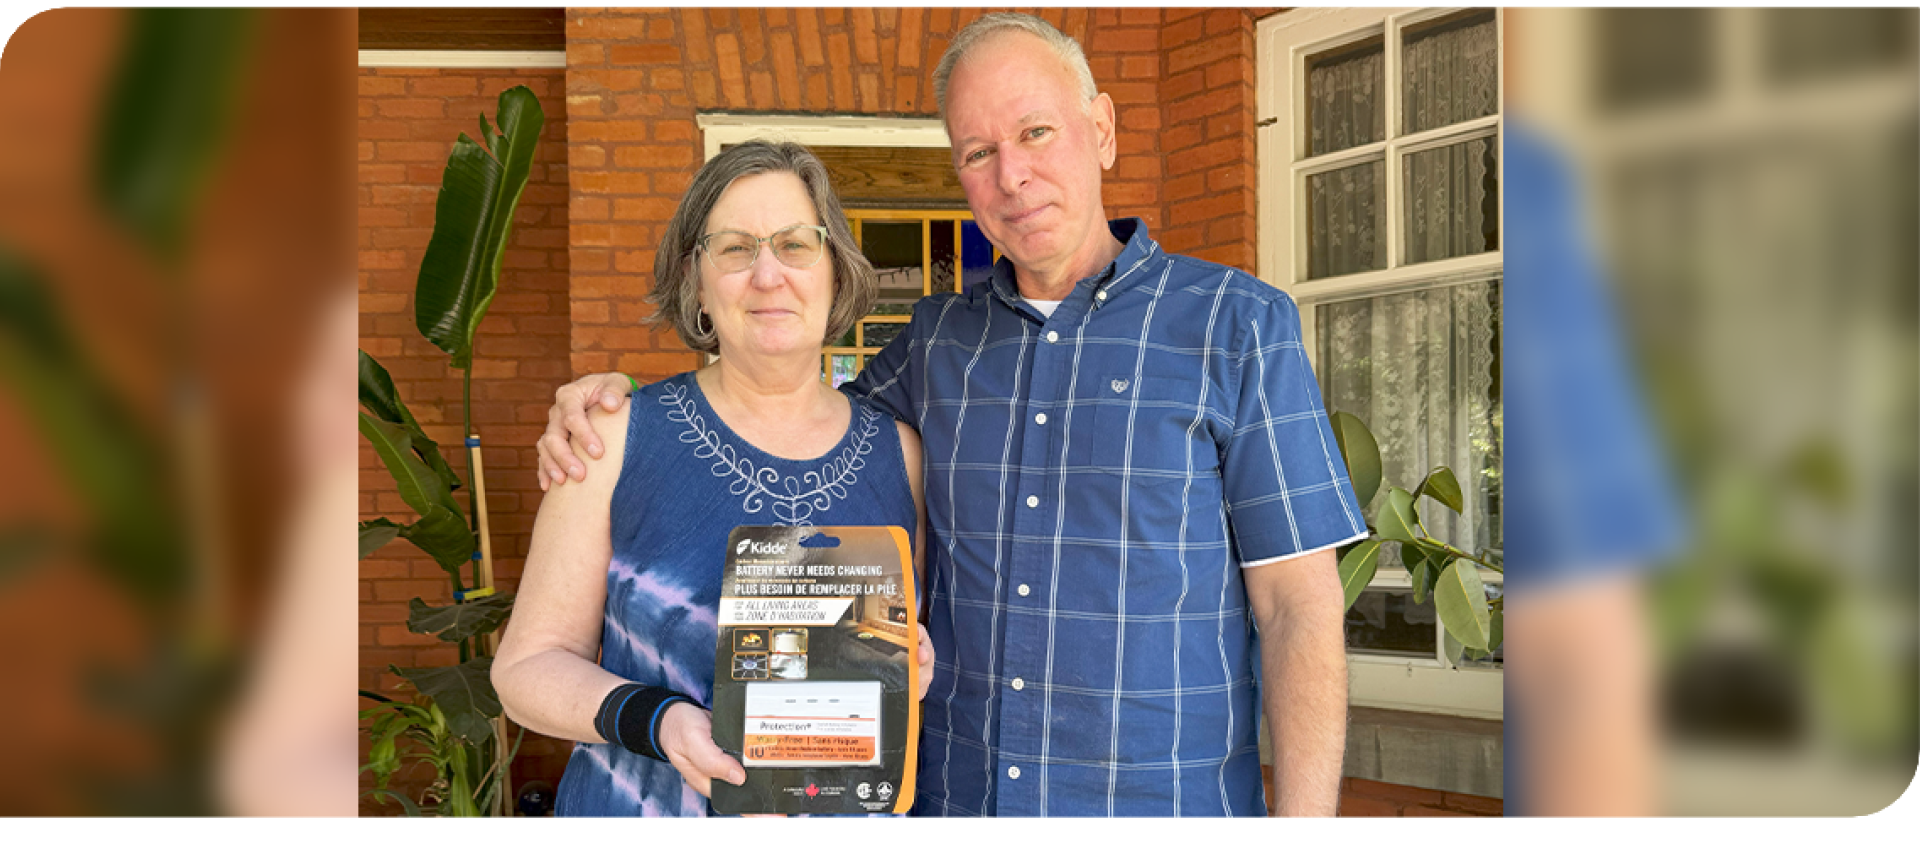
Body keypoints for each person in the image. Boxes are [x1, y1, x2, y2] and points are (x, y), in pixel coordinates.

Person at [536, 15, 1363, 818]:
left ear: (1101, 129)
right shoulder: (933, 344)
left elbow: (1299, 609)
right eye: (979, 152)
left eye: (1036, 132)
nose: (1013, 175)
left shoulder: (1237, 326)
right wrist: (617, 405)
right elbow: (780, 409)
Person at [491, 140, 933, 818]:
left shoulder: (898, 453)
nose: (767, 273)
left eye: (795, 243)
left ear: (836, 272)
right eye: (734, 248)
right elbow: (524, 669)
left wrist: (908, 669)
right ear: (696, 280)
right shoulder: (612, 436)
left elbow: (892, 664)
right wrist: (658, 721)